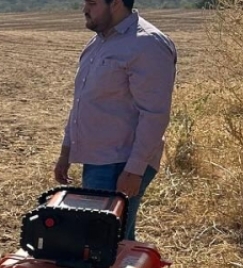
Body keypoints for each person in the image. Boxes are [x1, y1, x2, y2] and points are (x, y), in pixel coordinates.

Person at [53, 0, 177, 241]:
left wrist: (134, 169)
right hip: (98, 161)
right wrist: (66, 152)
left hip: (121, 164)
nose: (85, 9)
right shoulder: (97, 44)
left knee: (103, 244)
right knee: (112, 244)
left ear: (117, 4)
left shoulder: (147, 44)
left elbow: (154, 114)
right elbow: (82, 104)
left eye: (93, 3)